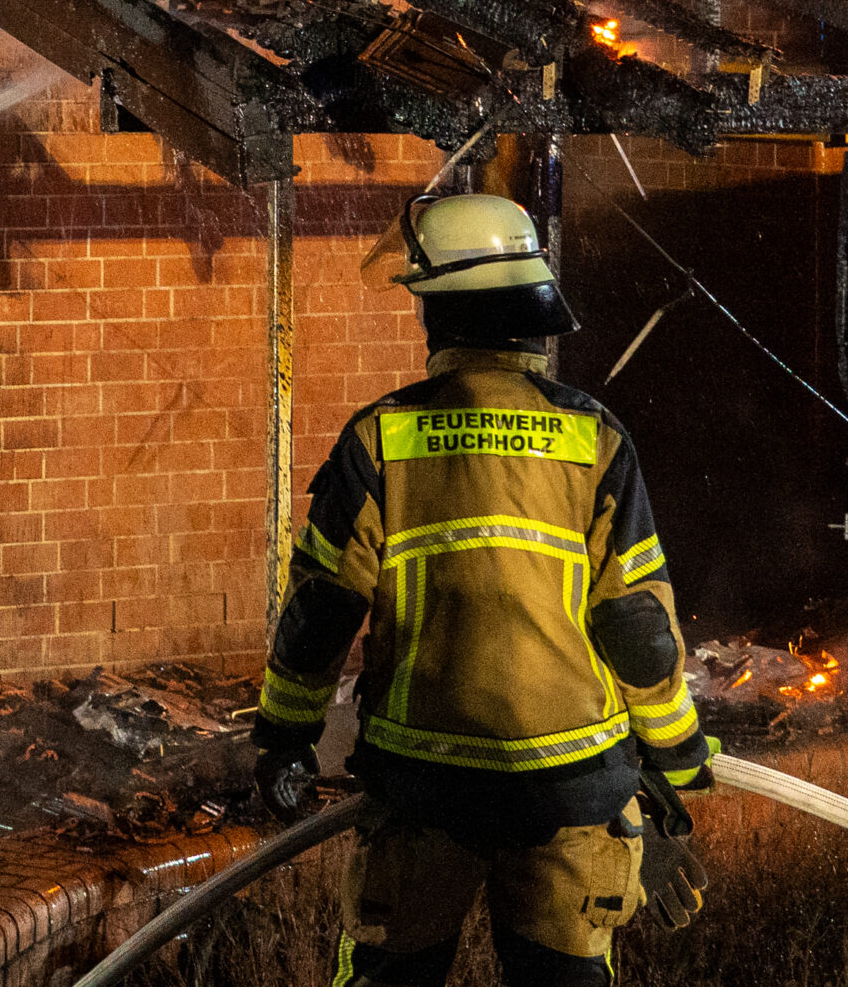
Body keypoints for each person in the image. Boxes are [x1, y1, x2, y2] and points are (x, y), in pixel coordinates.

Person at [252, 192, 715, 987]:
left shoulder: (381, 438)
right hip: (572, 793)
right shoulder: (595, 439)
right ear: (533, 311)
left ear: (438, 315)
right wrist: (676, 767)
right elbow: (635, 625)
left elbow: (321, 613)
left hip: (422, 787)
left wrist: (283, 739)